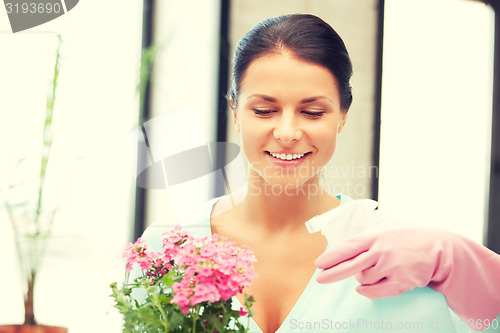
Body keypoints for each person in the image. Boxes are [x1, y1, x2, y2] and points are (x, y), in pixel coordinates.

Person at [140, 13, 500, 333]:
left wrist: (459, 265)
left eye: (313, 113)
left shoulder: (406, 257)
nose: (287, 133)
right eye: (264, 110)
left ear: (343, 114)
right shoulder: (162, 252)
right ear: (234, 111)